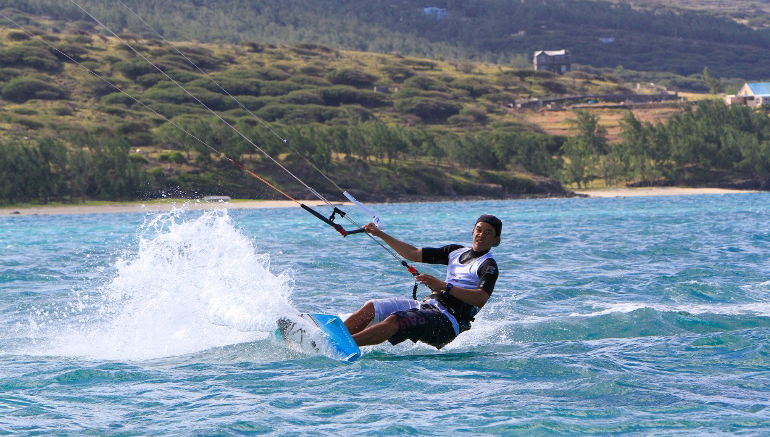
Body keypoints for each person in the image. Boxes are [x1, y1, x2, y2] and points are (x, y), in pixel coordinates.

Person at [344, 214, 501, 349]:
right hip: (429, 306)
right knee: (372, 307)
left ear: (495, 240)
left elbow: (481, 299)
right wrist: (380, 234)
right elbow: (413, 254)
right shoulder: (455, 252)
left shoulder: (488, 265)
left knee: (394, 321)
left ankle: (344, 344)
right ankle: (334, 336)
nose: (481, 235)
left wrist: (442, 286)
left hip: (449, 321)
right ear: (473, 230)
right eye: (479, 230)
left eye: (488, 233)